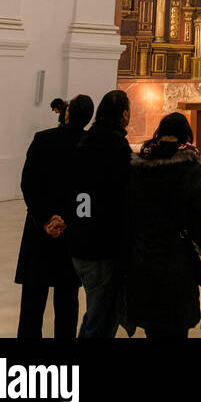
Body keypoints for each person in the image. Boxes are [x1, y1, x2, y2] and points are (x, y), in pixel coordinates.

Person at [124, 112, 201, 339]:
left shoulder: (140, 164)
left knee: (152, 323)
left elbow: (129, 207)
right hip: (178, 255)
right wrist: (195, 243)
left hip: (144, 251)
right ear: (186, 135)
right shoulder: (189, 166)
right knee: (176, 323)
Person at [15, 94, 94, 339]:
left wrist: (45, 218)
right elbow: (89, 193)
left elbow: (28, 183)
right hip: (72, 232)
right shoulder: (91, 145)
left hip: (40, 229)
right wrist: (69, 219)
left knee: (32, 298)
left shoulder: (43, 139)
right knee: (68, 297)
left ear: (66, 114)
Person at [68, 89, 131, 338]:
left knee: (96, 312)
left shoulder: (85, 142)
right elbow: (123, 199)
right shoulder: (116, 148)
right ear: (124, 115)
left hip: (80, 241)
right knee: (101, 319)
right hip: (102, 247)